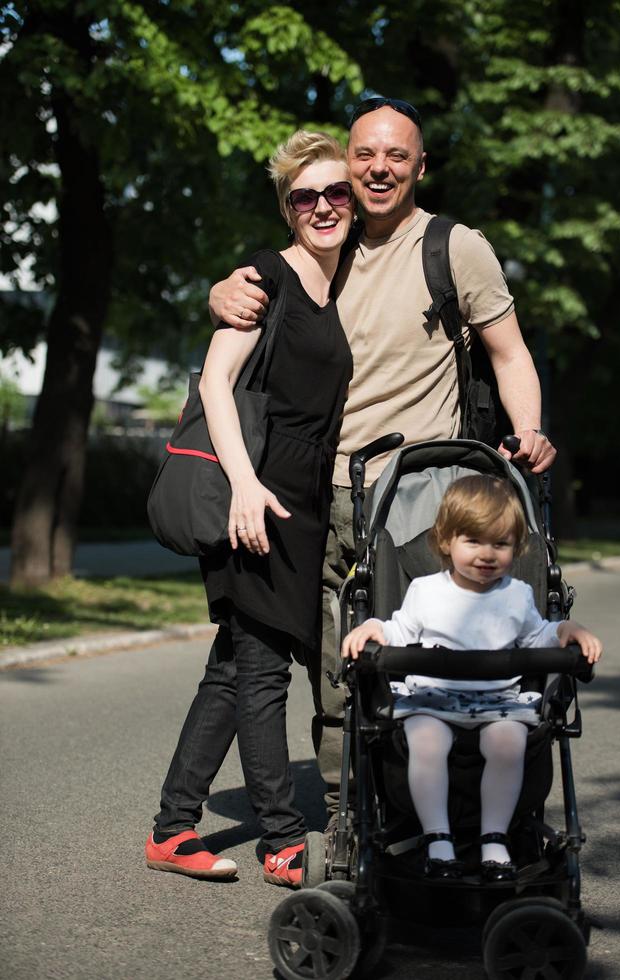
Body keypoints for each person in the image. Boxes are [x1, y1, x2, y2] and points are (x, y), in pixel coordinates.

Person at [208, 95, 558, 812]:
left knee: (430, 667)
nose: (378, 167)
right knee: (339, 672)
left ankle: (450, 812)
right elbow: (259, 307)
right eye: (364, 152)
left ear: (419, 167)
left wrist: (527, 434)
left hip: (423, 494)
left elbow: (510, 352)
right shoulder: (322, 246)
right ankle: (349, 820)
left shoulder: (454, 247)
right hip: (322, 495)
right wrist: (218, 293)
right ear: (347, 159)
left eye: (397, 155)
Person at [145, 131, 354, 887]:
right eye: (306, 196)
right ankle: (280, 837)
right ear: (287, 208)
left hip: (301, 494)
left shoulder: (350, 278)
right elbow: (214, 381)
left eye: (336, 192)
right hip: (257, 488)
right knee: (261, 668)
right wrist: (242, 483)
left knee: (235, 665)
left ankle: (173, 829)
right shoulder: (268, 275)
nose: (323, 206)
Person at [342, 475, 602, 880]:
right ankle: (437, 836)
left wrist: (565, 631)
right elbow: (400, 630)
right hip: (434, 697)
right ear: (447, 541)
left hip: (496, 700)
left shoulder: (515, 595)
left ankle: (494, 837)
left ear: (516, 548)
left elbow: (536, 636)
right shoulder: (427, 591)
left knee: (509, 741)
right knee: (426, 740)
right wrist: (373, 628)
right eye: (473, 542)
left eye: (500, 544)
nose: (487, 555)